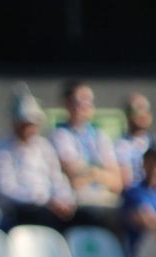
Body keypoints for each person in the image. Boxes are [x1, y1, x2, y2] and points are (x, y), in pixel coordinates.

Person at [0, 93, 83, 232]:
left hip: (49, 208)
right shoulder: (1, 149)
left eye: (33, 124)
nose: (29, 129)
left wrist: (65, 200)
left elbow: (57, 179)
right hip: (18, 211)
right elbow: (5, 189)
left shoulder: (45, 147)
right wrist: (43, 201)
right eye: (25, 124)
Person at [50, 82, 123, 211]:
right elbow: (72, 175)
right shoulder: (59, 135)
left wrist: (92, 174)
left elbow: (117, 182)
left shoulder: (101, 136)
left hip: (105, 203)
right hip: (76, 205)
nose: (85, 106)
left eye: (89, 101)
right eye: (79, 101)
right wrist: (101, 175)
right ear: (67, 104)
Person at [115, 94, 156, 189]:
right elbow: (126, 182)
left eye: (145, 109)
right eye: (137, 110)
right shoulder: (122, 145)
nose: (142, 114)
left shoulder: (155, 142)